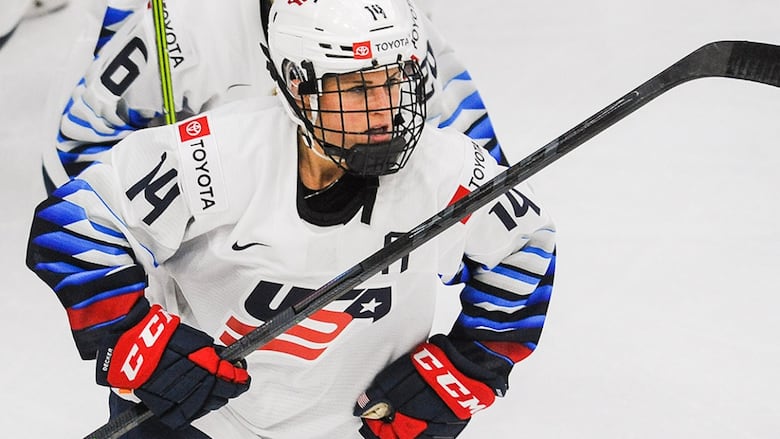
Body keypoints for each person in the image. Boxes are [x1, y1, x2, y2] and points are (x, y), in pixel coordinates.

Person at [27, 0, 556, 438]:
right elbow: (75, 218)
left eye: (395, 82)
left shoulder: (446, 165)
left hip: (356, 423)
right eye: (355, 88)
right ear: (297, 86)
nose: (384, 113)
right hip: (196, 420)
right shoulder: (219, 152)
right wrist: (134, 335)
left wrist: (467, 367)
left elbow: (523, 239)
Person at [42, 0, 508, 194]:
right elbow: (75, 149)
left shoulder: (385, 21)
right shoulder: (183, 30)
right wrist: (136, 258)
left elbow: (478, 162)